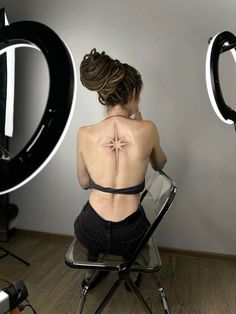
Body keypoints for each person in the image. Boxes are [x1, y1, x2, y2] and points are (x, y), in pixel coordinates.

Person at [74, 48, 167, 288]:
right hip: (131, 234)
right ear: (134, 93)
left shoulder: (84, 133)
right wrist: (142, 126)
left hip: (90, 230)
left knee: (91, 216)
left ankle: (91, 271)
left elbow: (84, 183)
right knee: (133, 236)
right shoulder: (148, 129)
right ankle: (130, 269)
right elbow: (160, 165)